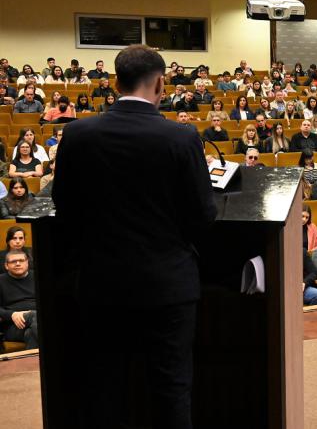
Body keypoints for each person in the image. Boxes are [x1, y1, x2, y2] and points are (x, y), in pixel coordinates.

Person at [52, 45, 217, 427]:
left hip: (101, 283)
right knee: (171, 389)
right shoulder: (180, 137)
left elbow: (65, 207)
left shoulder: (78, 133)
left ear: (114, 82)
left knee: (104, 387)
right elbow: (203, 216)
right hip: (168, 286)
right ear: (161, 83)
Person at [0, 249, 38, 349]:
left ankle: (32, 364)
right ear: (6, 265)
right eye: (13, 261)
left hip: (35, 322)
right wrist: (11, 314)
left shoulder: (37, 276)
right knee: (35, 316)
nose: (17, 263)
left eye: (21, 260)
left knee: (30, 334)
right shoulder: (1, 280)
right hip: (13, 326)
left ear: (27, 263)